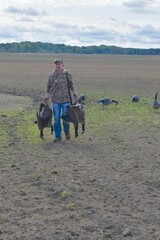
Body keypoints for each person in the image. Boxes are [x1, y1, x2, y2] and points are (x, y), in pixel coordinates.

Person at [44, 58, 78, 142]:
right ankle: (58, 137)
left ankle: (67, 131)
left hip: (66, 99)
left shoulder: (67, 74)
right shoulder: (52, 75)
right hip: (55, 100)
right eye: (56, 64)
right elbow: (48, 88)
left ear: (62, 64)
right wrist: (46, 96)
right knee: (56, 119)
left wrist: (74, 92)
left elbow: (71, 85)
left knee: (66, 118)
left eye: (59, 63)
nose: (58, 65)